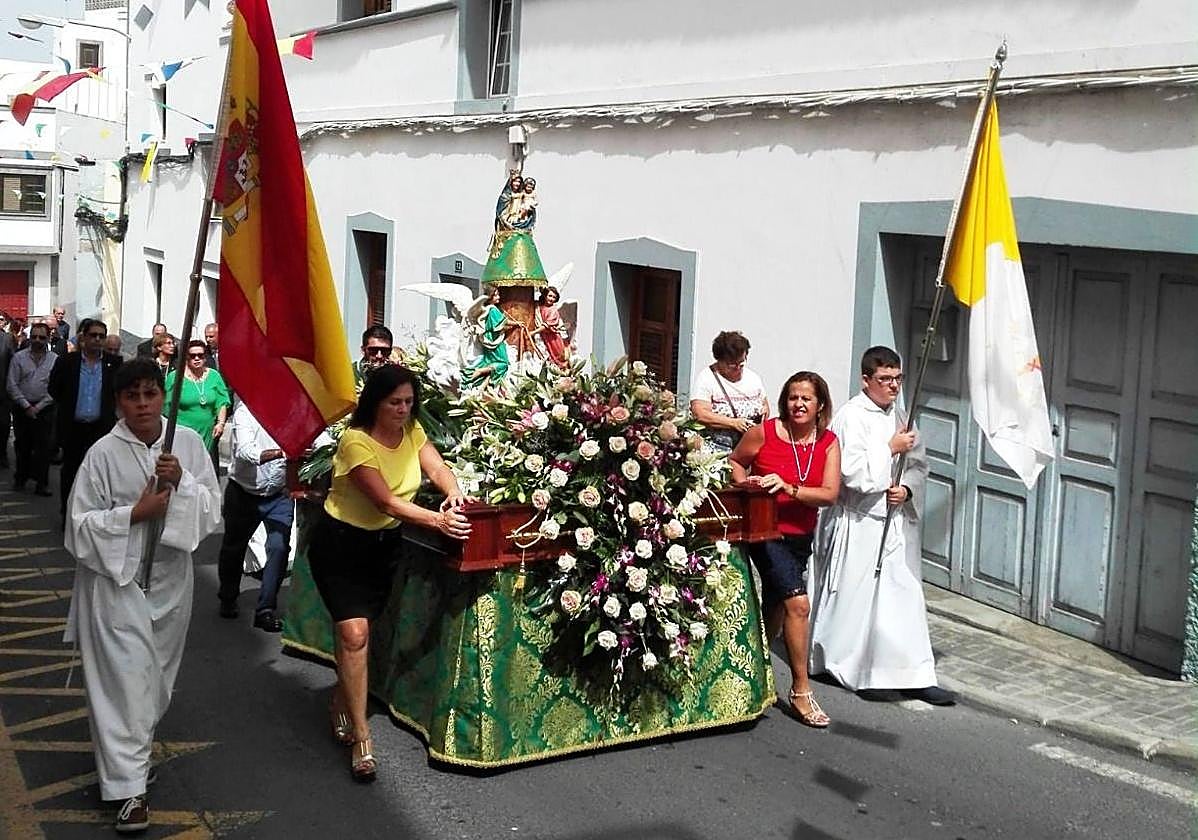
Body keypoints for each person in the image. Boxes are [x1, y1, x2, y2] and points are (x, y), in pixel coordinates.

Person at [64, 358, 220, 833]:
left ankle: (127, 759)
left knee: (154, 684)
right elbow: (78, 526)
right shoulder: (102, 454)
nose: (143, 404)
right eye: (132, 397)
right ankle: (130, 791)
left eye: (151, 394)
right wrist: (135, 513)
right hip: (116, 585)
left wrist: (182, 484)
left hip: (171, 582)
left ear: (161, 395)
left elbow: (211, 510)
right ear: (118, 402)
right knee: (124, 685)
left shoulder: (186, 444)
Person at [309, 364, 472, 781]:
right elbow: (385, 502)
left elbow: (436, 468)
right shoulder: (355, 442)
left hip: (384, 549)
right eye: (394, 402)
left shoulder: (413, 431)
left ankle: (339, 700)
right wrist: (437, 522)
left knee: (364, 632)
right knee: (354, 633)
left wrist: (452, 492)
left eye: (408, 402)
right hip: (341, 544)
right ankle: (362, 737)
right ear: (376, 404)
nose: (403, 409)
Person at [809, 346, 955, 706]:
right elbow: (850, 471)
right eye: (884, 379)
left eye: (897, 379)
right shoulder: (850, 416)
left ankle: (916, 674)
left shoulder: (901, 416)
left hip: (894, 525)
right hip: (858, 521)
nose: (892, 386)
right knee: (861, 602)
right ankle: (855, 667)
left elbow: (919, 465)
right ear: (866, 379)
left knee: (903, 598)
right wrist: (889, 448)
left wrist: (906, 490)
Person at [731, 371, 840, 727]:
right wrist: (746, 487)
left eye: (807, 398)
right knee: (798, 603)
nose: (799, 404)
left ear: (819, 404)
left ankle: (750, 670)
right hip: (765, 531)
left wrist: (789, 488)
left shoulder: (827, 442)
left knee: (775, 609)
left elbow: (828, 494)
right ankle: (800, 690)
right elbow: (736, 461)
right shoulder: (765, 432)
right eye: (793, 397)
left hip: (800, 535)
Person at [216, 400, 293, 632]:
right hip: (244, 493)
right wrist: (282, 452)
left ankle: (266, 609)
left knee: (279, 547)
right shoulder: (245, 414)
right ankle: (228, 596)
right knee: (234, 547)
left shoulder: (293, 412)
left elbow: (318, 438)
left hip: (279, 493)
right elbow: (246, 452)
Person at [48, 318, 123, 520]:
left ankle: (94, 515)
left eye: (101, 336)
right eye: (93, 335)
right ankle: (68, 513)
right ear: (84, 337)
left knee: (99, 474)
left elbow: (119, 392)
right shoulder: (67, 361)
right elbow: (54, 388)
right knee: (71, 472)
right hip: (74, 427)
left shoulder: (113, 363)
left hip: (100, 428)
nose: (97, 339)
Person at [690, 330, 770, 453]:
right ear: (719, 360)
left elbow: (765, 404)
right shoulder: (707, 378)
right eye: (732, 365)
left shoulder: (753, 378)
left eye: (741, 363)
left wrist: (763, 413)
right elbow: (700, 413)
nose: (738, 368)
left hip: (750, 446)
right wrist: (733, 423)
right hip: (720, 449)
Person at [6, 322, 58, 495]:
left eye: (41, 337)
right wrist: (26, 405)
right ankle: (20, 479)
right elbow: (12, 384)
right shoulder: (19, 358)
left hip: (45, 409)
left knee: (44, 448)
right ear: (29, 337)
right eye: (34, 336)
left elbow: (57, 387)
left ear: (48, 338)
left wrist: (39, 406)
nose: (37, 340)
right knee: (22, 445)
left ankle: (41, 484)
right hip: (22, 408)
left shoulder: (54, 360)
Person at [165, 340, 231, 454]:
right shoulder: (175, 377)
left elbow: (222, 401)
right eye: (192, 356)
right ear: (186, 357)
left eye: (200, 355)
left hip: (207, 432)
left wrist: (220, 423)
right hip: (181, 432)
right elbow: (166, 406)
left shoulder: (214, 376)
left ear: (205, 357)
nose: (197, 358)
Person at [465, 284, 511, 385]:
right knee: (503, 364)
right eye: (496, 295)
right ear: (490, 297)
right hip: (494, 340)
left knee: (492, 362)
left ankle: (483, 385)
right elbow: (501, 323)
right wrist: (517, 324)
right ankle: (480, 371)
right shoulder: (493, 309)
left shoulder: (488, 309)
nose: (498, 297)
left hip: (490, 338)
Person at [532, 285, 570, 367]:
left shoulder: (553, 311)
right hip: (544, 336)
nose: (551, 299)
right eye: (550, 296)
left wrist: (533, 332)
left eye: (554, 297)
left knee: (558, 358)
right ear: (545, 296)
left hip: (553, 338)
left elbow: (546, 326)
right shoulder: (539, 306)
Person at [0, 312, 14, 468]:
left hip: (2, 392)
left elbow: (13, 362)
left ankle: (2, 454)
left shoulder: (7, 339)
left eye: (1, 320)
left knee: (3, 426)